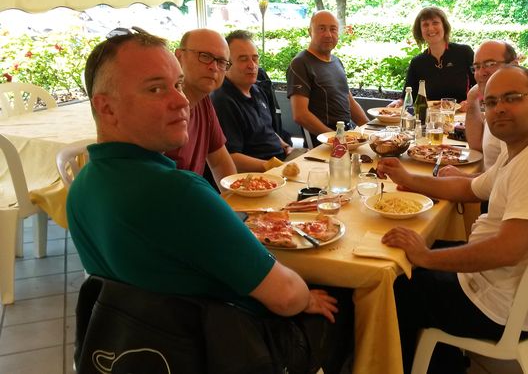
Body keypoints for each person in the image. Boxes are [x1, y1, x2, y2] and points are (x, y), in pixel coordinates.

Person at [68, 29, 351, 372]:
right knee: (346, 299)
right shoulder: (179, 192)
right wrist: (306, 298)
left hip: (134, 345)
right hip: (219, 350)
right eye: (156, 89)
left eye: (177, 84)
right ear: (106, 108)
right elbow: (286, 297)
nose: (180, 101)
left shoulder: (82, 186)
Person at [377, 65, 528, 373]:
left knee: (392, 283)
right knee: (407, 256)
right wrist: (407, 178)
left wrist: (426, 258)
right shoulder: (524, 147)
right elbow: (469, 188)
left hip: (496, 303)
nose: (499, 108)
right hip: (505, 284)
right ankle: (444, 360)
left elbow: (507, 250)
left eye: (512, 98)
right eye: (491, 102)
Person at [438, 40, 528, 178]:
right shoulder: (498, 103)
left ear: (514, 65)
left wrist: (462, 177)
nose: (481, 73)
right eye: (477, 67)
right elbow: (477, 146)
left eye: (490, 64)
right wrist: (472, 98)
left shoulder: (518, 113)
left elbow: (507, 179)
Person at [212, 30, 296, 170]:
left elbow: (266, 130)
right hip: (259, 174)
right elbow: (230, 158)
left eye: (255, 58)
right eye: (243, 59)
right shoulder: (223, 100)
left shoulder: (257, 90)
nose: (252, 65)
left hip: (281, 161)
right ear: (226, 63)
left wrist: (286, 147)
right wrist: (277, 167)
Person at [164, 28, 236, 188]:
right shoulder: (162, 108)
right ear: (179, 56)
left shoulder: (204, 102)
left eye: (221, 62)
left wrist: (237, 200)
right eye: (205, 56)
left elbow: (220, 162)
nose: (214, 67)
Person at [286, 10, 368, 141]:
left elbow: (349, 102)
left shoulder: (336, 61)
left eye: (333, 29)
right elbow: (300, 115)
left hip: (347, 135)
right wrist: (337, 139)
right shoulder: (300, 63)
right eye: (321, 28)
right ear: (310, 32)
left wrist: (370, 130)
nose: (328, 34)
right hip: (324, 142)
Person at [389, 6, 475, 107]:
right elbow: (407, 95)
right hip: (431, 115)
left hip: (463, 113)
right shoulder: (417, 63)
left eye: (435, 23)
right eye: (425, 25)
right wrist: (399, 102)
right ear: (420, 30)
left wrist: (470, 101)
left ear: (444, 26)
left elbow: (480, 84)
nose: (430, 28)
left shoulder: (464, 53)